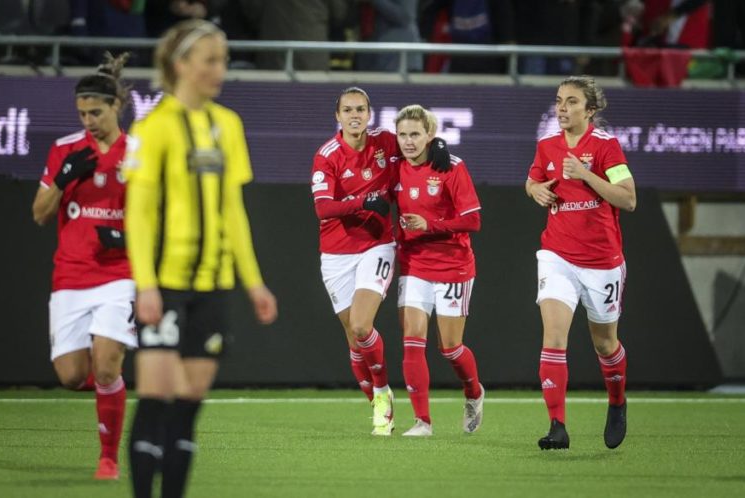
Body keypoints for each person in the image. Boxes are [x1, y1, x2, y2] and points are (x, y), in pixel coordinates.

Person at [123, 19, 278, 498]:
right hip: (165, 286)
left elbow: (233, 211)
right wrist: (145, 285)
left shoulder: (227, 125)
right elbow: (139, 215)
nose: (220, 70)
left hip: (213, 287)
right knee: (155, 400)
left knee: (188, 407)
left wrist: (253, 283)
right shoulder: (153, 129)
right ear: (180, 65)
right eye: (210, 60)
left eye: (223, 60)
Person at [311, 87, 451, 436]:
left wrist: (440, 147)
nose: (355, 115)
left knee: (361, 325)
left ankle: (382, 390)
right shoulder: (327, 155)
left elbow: (415, 144)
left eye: (361, 109)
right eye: (348, 110)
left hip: (377, 245)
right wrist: (362, 201)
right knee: (353, 339)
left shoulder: (386, 143)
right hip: (336, 254)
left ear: (369, 114)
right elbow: (323, 208)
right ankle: (380, 393)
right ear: (338, 116)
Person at [31, 52, 135, 480]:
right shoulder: (64, 151)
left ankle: (108, 458)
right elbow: (39, 213)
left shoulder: (139, 154)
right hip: (71, 274)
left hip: (120, 274)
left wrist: (129, 236)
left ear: (116, 106)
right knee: (72, 375)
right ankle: (112, 393)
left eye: (96, 111)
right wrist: (63, 178)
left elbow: (159, 214)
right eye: (82, 113)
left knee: (107, 363)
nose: (89, 120)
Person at [525, 76, 636, 450]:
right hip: (556, 254)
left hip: (602, 260)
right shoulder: (546, 146)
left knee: (605, 344)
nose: (562, 108)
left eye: (571, 102)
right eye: (559, 101)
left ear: (590, 110)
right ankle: (557, 426)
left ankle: (617, 402)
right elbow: (533, 181)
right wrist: (535, 190)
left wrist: (585, 174)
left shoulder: (607, 147)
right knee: (553, 337)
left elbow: (628, 199)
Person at [393, 104, 484, 437]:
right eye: (402, 135)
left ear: (430, 135)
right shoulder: (396, 168)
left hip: (453, 266)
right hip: (413, 264)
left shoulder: (452, 167)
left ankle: (473, 392)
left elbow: (473, 219)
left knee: (450, 348)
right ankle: (422, 422)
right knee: (412, 341)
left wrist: (429, 224)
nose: (408, 141)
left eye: (415, 134)